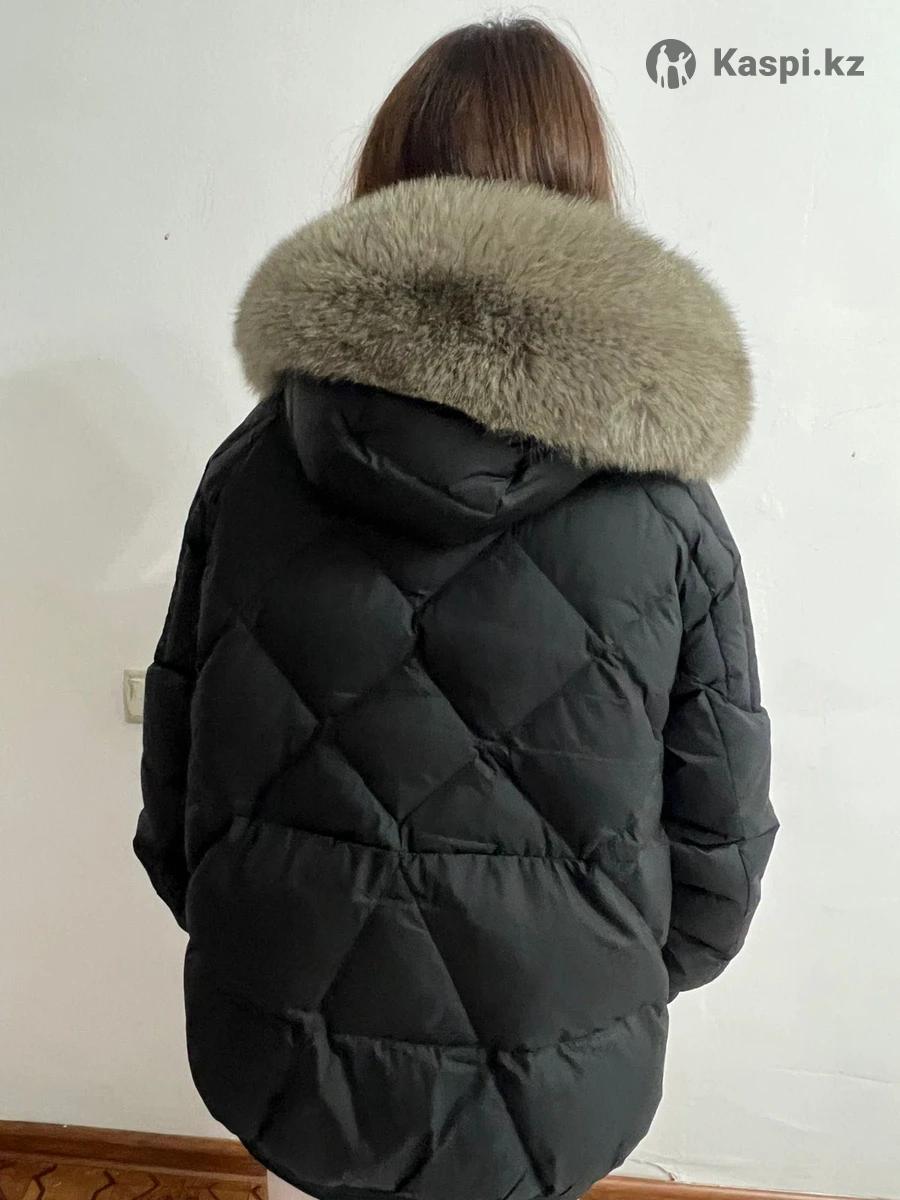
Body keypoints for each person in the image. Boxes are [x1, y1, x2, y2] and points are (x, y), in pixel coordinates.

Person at [134, 17, 778, 1200]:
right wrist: (608, 983)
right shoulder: (662, 510)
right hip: (554, 1068)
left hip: (286, 1044)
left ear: (387, 189)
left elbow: (180, 772)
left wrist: (256, 946)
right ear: (580, 197)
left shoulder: (257, 467)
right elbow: (718, 830)